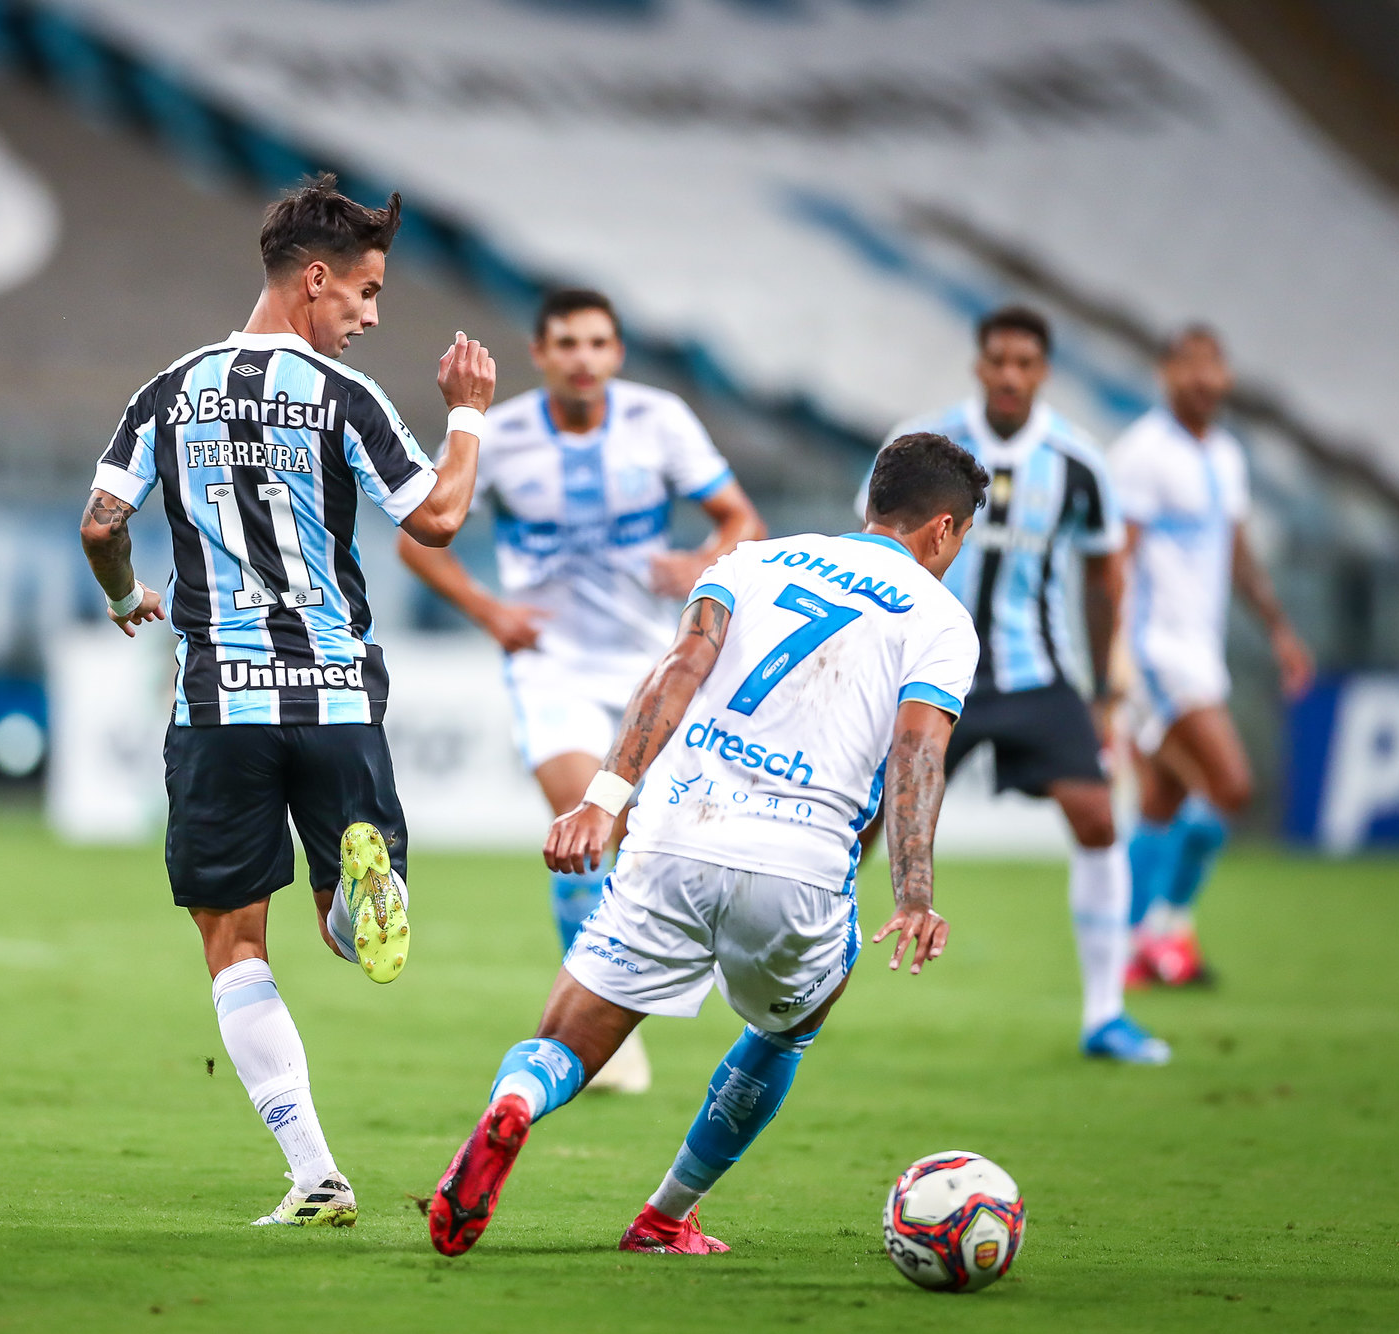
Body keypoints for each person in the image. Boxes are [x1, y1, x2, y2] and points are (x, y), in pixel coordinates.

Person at [426, 433, 985, 1257]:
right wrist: (913, 893)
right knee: (789, 1026)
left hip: (673, 835)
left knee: (562, 1042)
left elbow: (678, 668)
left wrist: (604, 799)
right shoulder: (941, 620)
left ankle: (513, 1102)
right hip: (797, 867)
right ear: (943, 529)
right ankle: (663, 1215)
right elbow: (916, 752)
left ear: (871, 501)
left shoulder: (752, 560)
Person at [79, 174, 496, 1227]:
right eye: (363, 292)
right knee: (338, 923)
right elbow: (437, 518)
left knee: (235, 946)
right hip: (336, 693)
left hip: (220, 701)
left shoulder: (168, 390)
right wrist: (467, 417)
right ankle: (363, 900)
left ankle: (313, 1173)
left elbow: (97, 523)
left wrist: (128, 596)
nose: (368, 314)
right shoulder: (341, 398)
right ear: (314, 280)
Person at [396, 288, 765, 1094]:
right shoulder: (505, 433)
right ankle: (605, 1033)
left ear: (618, 353)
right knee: (582, 825)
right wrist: (490, 610)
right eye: (567, 342)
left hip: (652, 668)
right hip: (552, 664)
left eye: (598, 342)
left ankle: (610, 1002)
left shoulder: (659, 420)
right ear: (540, 352)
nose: (583, 358)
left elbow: (742, 520)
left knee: (629, 839)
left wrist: (702, 560)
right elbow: (416, 534)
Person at [860, 305, 1167, 1065]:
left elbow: (1103, 577)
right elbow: (870, 556)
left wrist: (1101, 692)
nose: (1008, 375)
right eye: (996, 359)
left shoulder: (1077, 463)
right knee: (862, 821)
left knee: (1098, 818)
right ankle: (797, 975)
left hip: (1036, 673)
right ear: (978, 363)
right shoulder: (922, 445)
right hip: (929, 667)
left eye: (1023, 363)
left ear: (1043, 371)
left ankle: (1105, 1012)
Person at [1111, 326, 1313, 986]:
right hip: (1155, 651)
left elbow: (1236, 551)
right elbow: (1118, 558)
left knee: (1164, 798)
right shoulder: (1142, 452)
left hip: (1201, 649)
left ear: (1226, 376)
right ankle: (1162, 932)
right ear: (1167, 372)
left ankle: (1134, 945)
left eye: (1213, 366)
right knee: (1230, 784)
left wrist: (1279, 629)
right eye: (1189, 365)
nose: (1203, 378)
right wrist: (1114, 654)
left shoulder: (1226, 453)